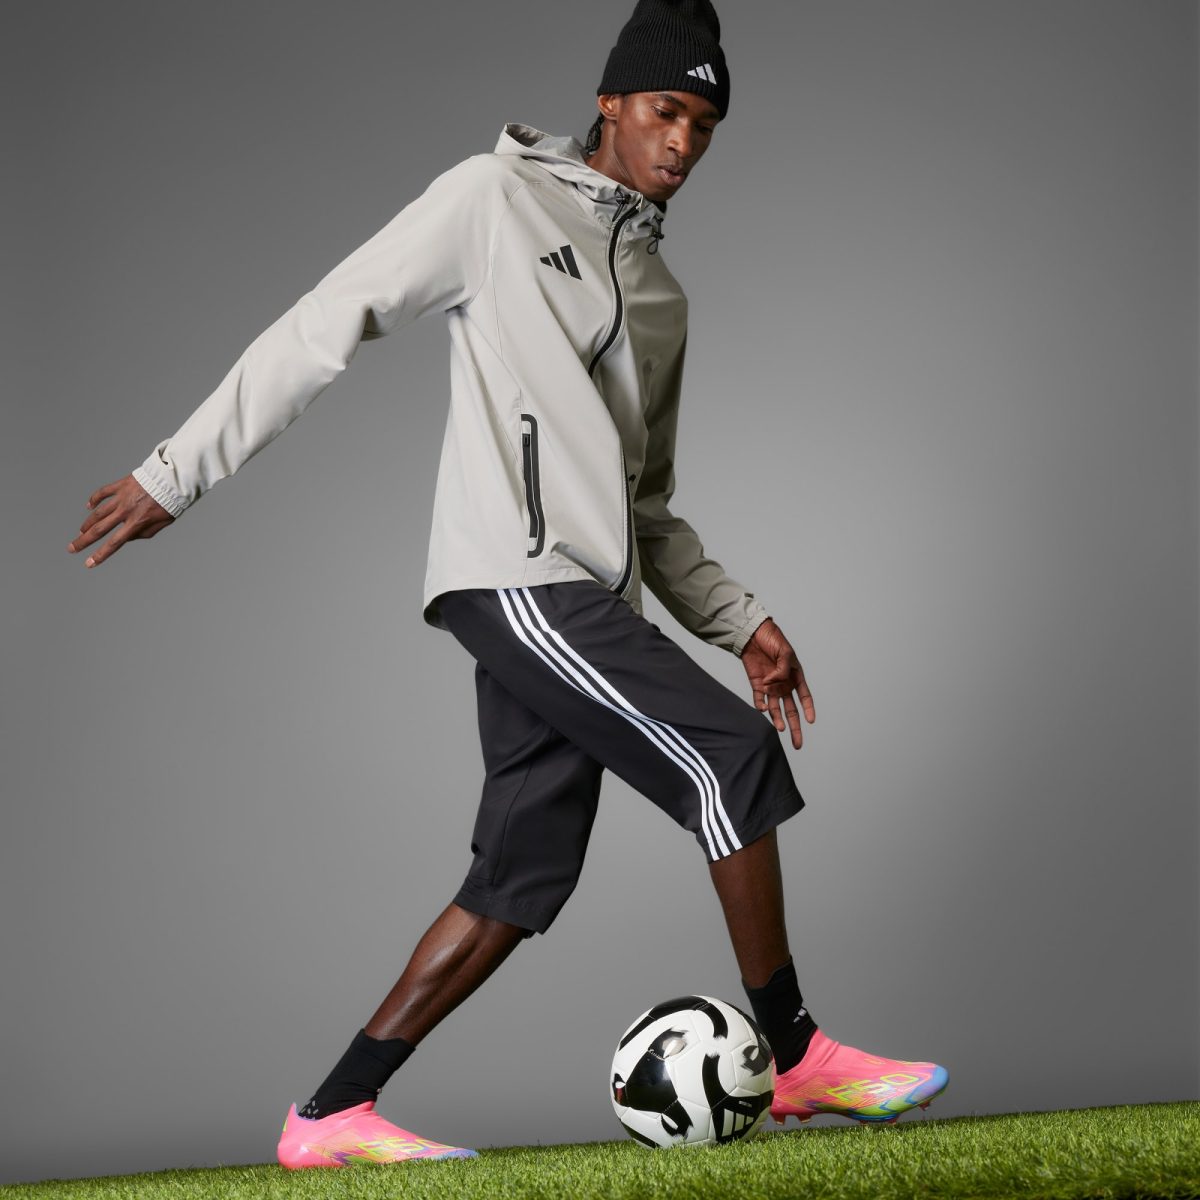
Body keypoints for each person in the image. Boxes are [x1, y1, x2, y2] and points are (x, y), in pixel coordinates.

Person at [68, 0, 948, 1169]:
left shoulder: (660, 296)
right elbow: (327, 320)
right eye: (665, 110)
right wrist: (177, 470)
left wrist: (744, 621)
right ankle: (794, 1054)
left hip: (588, 599)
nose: (683, 141)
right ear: (610, 102)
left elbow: (644, 502)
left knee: (521, 873)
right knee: (731, 759)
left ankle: (330, 1115)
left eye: (705, 124)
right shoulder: (492, 201)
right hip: (517, 576)